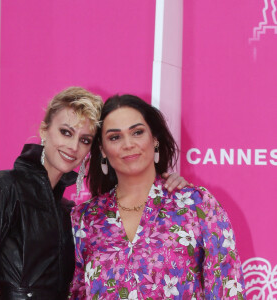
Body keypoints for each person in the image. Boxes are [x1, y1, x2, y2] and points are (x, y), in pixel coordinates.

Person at [0, 87, 189, 300]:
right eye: (66, 132)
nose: (73, 146)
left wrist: (166, 185)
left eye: (85, 140)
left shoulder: (72, 213)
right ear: (44, 131)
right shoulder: (3, 188)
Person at [69, 94, 246, 299]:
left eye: (137, 132)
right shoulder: (85, 218)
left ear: (154, 139)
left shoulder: (197, 205)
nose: (128, 144)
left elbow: (226, 288)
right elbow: (76, 293)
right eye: (115, 137)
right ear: (103, 150)